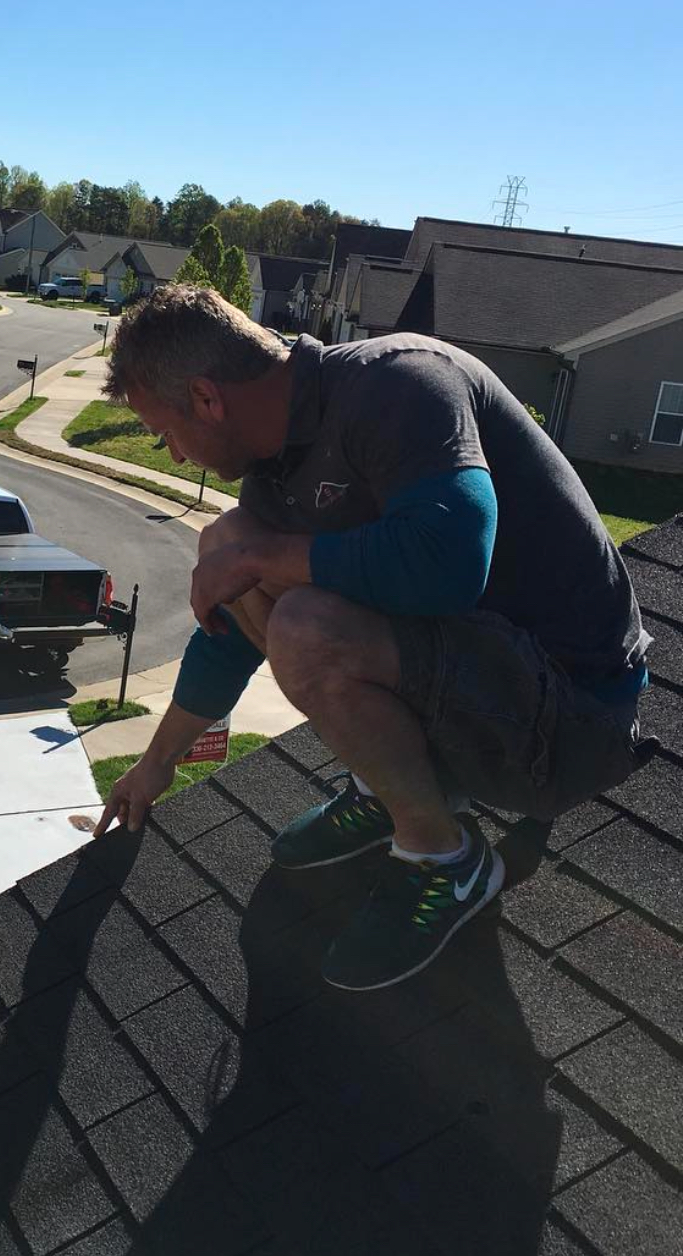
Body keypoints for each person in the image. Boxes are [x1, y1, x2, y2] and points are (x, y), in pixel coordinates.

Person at [93, 285, 651, 991]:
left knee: (296, 614)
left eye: (164, 433)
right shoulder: (279, 470)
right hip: (487, 695)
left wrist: (261, 560)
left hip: (574, 718)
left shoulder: (401, 383)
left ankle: (445, 860)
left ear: (207, 398)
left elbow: (450, 561)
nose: (173, 457)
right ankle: (393, 793)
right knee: (231, 539)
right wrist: (157, 764)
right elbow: (229, 625)